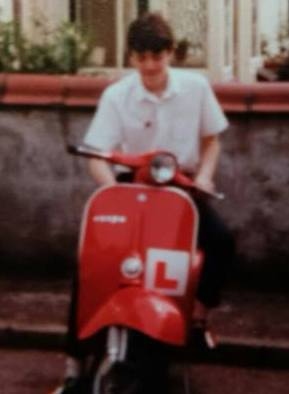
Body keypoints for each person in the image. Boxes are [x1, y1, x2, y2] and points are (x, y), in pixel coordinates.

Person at [54, 12, 234, 394]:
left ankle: (198, 320)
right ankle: (74, 361)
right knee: (92, 259)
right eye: (141, 57)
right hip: (129, 185)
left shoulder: (196, 88)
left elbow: (212, 139)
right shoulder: (117, 95)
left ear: (171, 53)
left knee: (221, 241)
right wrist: (111, 190)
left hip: (179, 185)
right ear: (131, 58)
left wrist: (203, 175)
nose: (150, 65)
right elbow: (97, 154)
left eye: (158, 55)